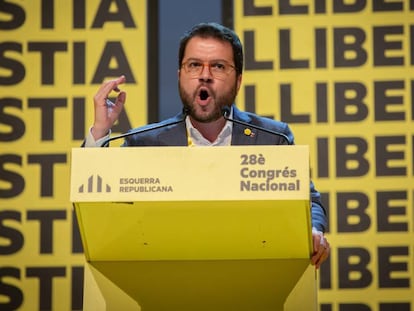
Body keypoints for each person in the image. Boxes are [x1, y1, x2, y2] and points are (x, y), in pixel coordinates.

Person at [84, 22, 330, 268]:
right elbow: (101, 210)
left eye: (218, 66)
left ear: (238, 80)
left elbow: (309, 202)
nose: (205, 75)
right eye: (194, 65)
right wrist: (101, 130)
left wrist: (313, 230)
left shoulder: (273, 138)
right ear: (180, 75)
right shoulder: (145, 142)